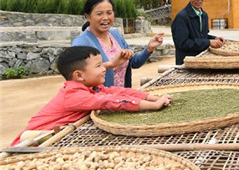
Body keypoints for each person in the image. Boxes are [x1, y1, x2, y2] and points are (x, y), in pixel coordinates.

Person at [11, 46, 172, 146]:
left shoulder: (91, 88)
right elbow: (111, 101)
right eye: (98, 66)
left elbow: (118, 92)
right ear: (79, 75)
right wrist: (153, 106)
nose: (104, 68)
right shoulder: (74, 95)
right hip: (32, 142)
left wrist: (153, 98)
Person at [72, 0, 164, 88]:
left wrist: (149, 48)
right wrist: (111, 64)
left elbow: (134, 62)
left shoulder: (115, 34)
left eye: (109, 13)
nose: (105, 18)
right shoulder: (81, 43)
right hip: (100, 96)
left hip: (121, 95)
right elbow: (80, 75)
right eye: (99, 14)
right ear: (87, 17)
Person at [171, 0, 225, 65]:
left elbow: (202, 36)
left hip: (201, 61)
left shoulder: (204, 15)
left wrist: (215, 38)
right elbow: (183, 43)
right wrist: (209, 42)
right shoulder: (181, 17)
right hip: (186, 63)